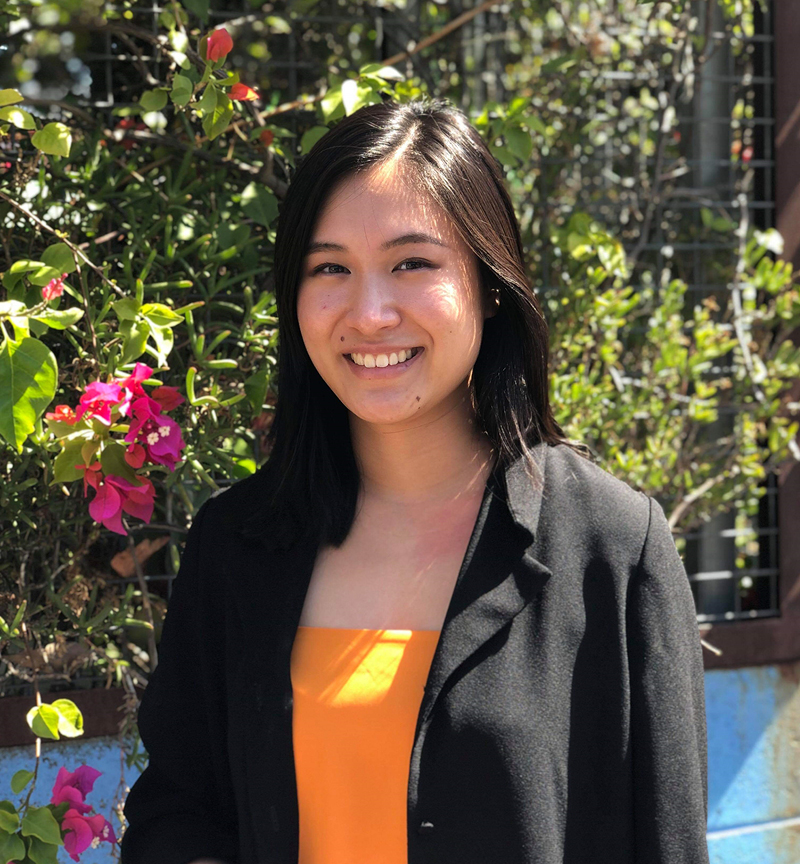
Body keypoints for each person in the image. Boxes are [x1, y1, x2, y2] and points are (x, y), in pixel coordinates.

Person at [120, 96, 710, 864]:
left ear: (489, 283)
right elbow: (177, 812)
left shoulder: (612, 547)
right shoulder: (237, 543)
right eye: (330, 268)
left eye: (412, 264)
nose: (369, 314)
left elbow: (665, 841)